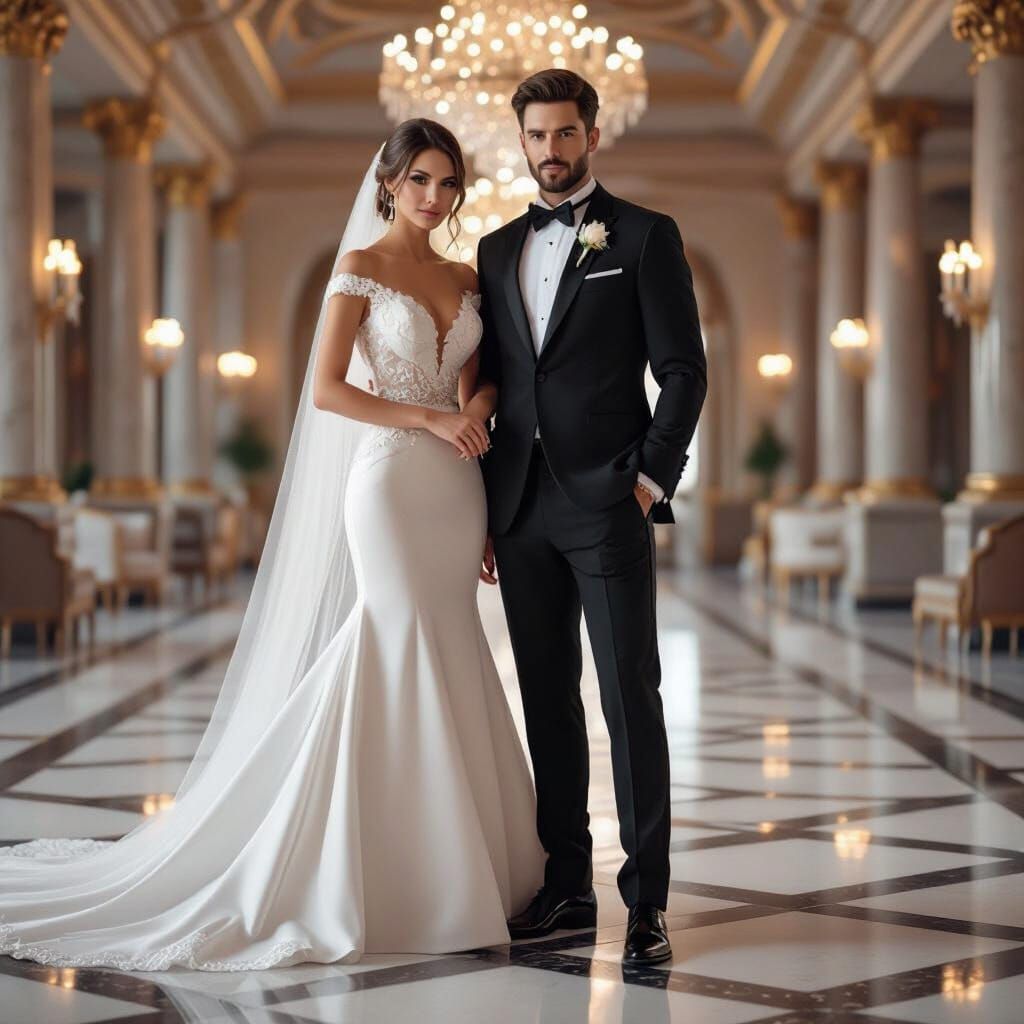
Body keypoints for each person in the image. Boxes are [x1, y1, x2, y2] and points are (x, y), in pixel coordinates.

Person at [0, 118, 544, 971]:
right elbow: (328, 390)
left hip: (456, 486)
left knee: (450, 637)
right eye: (420, 182)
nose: (434, 198)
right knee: (391, 635)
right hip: (394, 479)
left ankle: (467, 859)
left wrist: (470, 416)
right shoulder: (360, 269)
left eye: (448, 184)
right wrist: (429, 418)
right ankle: (367, 865)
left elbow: (484, 381)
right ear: (389, 184)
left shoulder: (464, 275)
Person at [476, 69, 707, 966]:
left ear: (592, 137)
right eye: (537, 136)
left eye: (566, 134)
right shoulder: (496, 250)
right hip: (521, 510)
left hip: (608, 503)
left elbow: (683, 371)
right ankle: (566, 885)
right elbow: (495, 377)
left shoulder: (645, 237)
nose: (552, 151)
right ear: (522, 141)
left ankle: (646, 903)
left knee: (629, 699)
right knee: (546, 703)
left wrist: (650, 480)